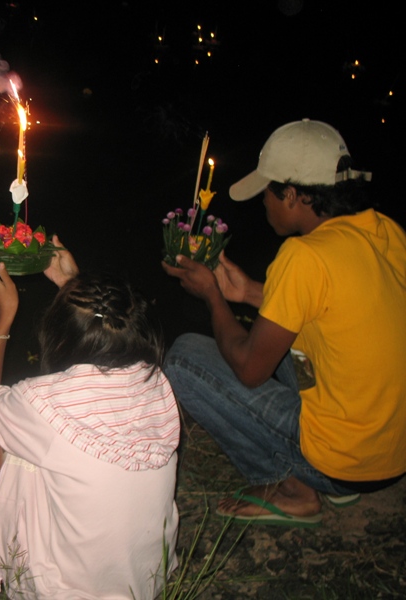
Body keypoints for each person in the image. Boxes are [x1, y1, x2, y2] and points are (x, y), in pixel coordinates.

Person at [162, 119, 406, 527]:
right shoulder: (387, 232)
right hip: (391, 456)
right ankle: (336, 483)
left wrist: (214, 297)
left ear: (293, 195)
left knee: (184, 356)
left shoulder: (303, 255)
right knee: (301, 346)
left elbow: (250, 369)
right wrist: (248, 292)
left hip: (343, 466)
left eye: (268, 193)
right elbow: (336, 307)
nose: (263, 203)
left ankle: (294, 487)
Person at [0, 235, 180, 599]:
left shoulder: (41, 404)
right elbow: (104, 326)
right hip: (146, 581)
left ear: (58, 334)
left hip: (64, 592)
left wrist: (3, 319)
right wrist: (72, 286)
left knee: (7, 434)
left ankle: (21, 565)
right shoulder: (155, 382)